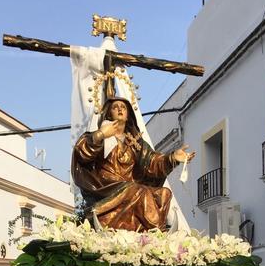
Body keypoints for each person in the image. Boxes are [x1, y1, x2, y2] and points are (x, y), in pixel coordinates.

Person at [72, 96, 195, 231]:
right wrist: (101, 134)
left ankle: (152, 232)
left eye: (123, 107)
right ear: (108, 113)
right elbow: (82, 152)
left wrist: (172, 158)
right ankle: (157, 230)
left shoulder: (136, 143)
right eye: (115, 107)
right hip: (106, 186)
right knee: (136, 190)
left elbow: (152, 162)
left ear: (128, 115)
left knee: (164, 193)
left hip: (129, 187)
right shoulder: (99, 136)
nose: (119, 109)